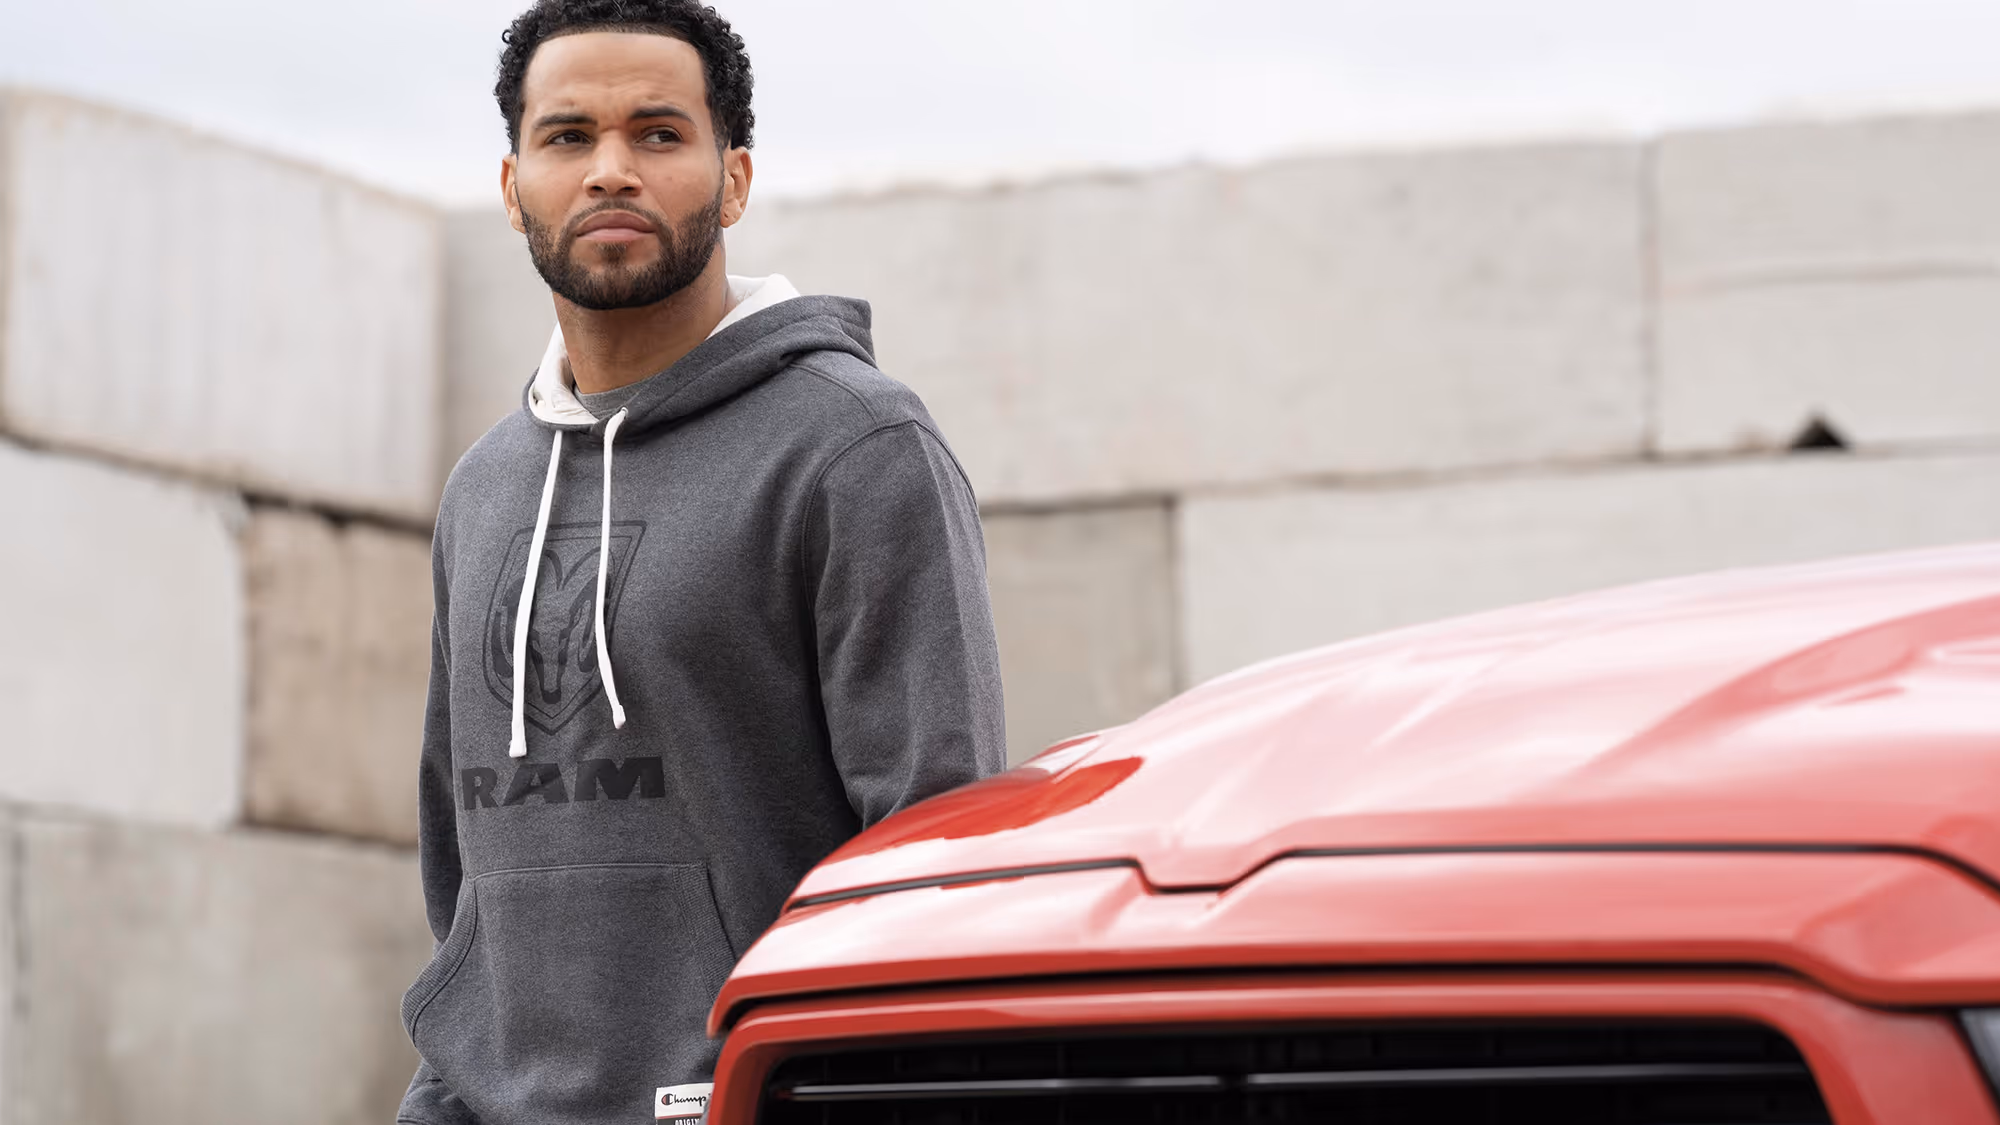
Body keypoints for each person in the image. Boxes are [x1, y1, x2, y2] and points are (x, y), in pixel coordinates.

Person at [396, 3, 1006, 1122]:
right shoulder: (483, 490)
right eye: (569, 137)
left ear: (732, 180)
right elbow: (461, 865)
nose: (610, 171)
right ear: (512, 182)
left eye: (658, 134)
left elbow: (934, 845)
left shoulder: (854, 448)